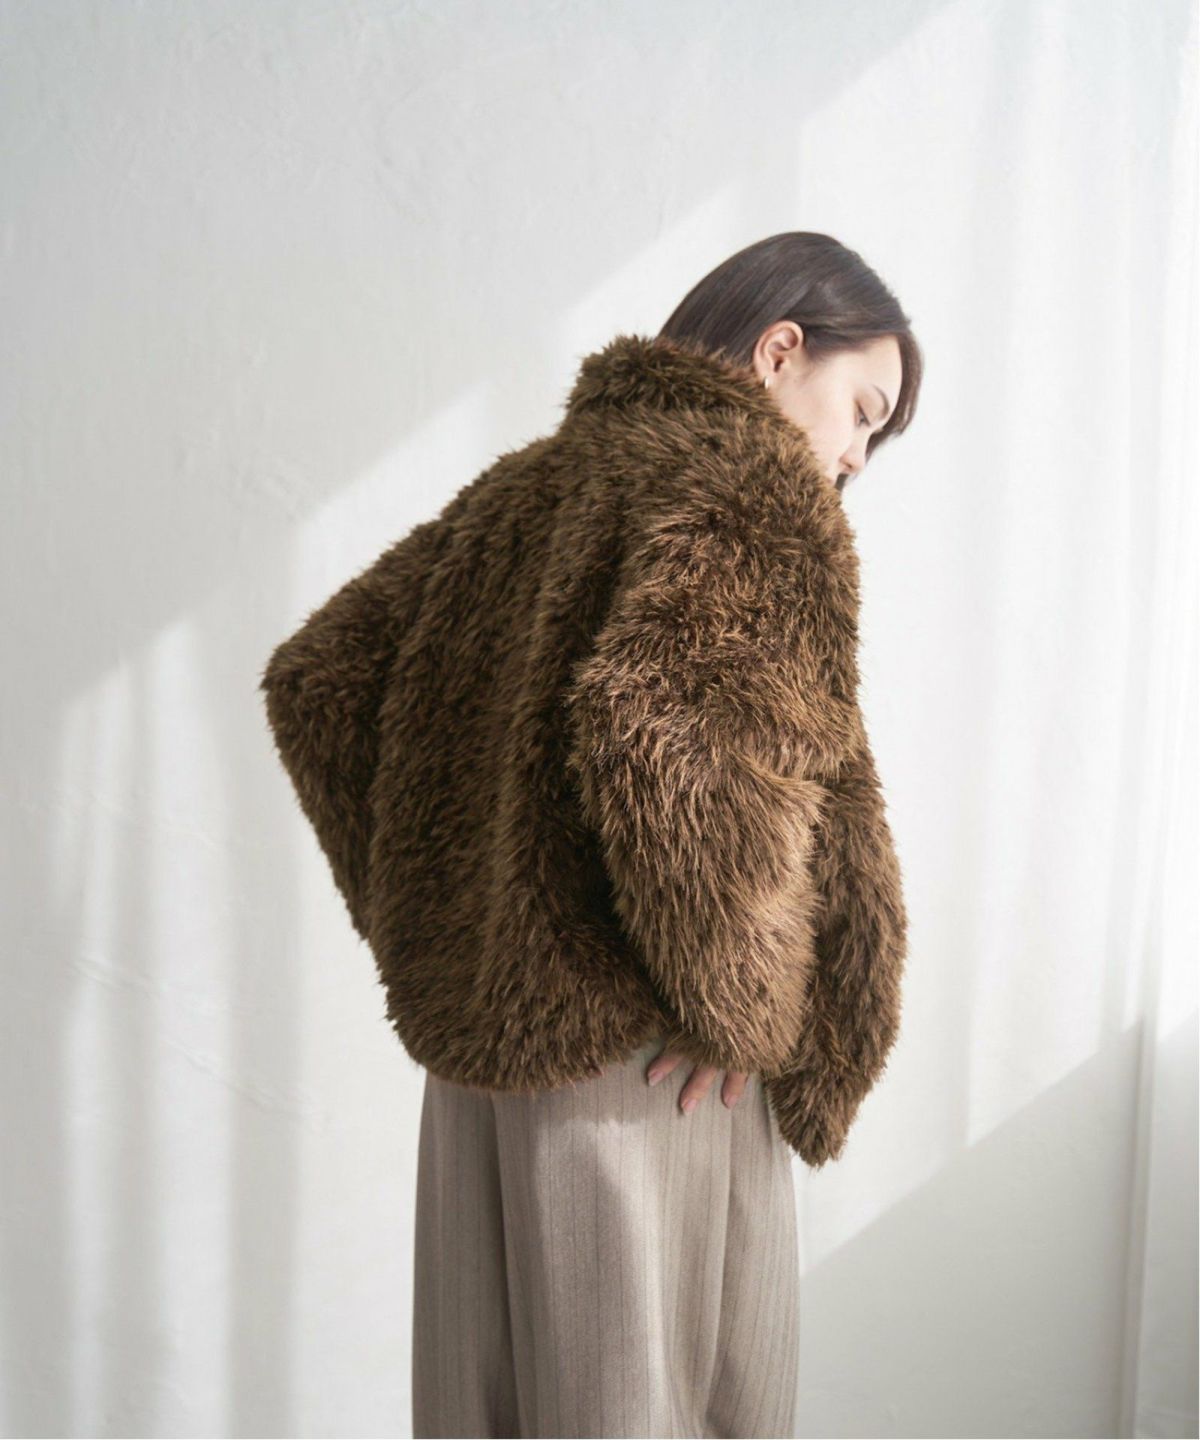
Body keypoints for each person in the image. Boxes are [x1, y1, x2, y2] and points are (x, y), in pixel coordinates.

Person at [260, 230, 923, 1439]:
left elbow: (324, 683)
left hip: (481, 1070)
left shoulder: (529, 488)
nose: (853, 457)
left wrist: (452, 932)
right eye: (862, 412)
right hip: (648, 1062)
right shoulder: (749, 485)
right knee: (666, 1408)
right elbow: (668, 736)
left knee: (489, 1409)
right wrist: (743, 1007)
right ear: (781, 350)